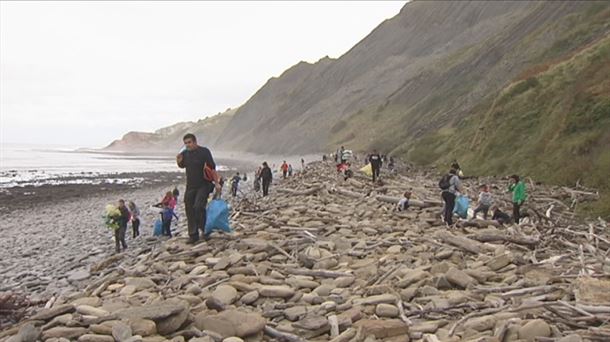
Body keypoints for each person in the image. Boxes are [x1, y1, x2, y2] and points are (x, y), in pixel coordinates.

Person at [176, 133, 221, 244]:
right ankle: (193, 235)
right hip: (190, 186)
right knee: (189, 209)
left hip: (203, 185)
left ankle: (205, 231)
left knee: (198, 207)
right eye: (186, 143)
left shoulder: (204, 152)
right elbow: (182, 166)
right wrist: (178, 160)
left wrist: (217, 183)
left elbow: (212, 168)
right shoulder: (185, 153)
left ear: (195, 142)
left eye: (189, 142)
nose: (188, 145)